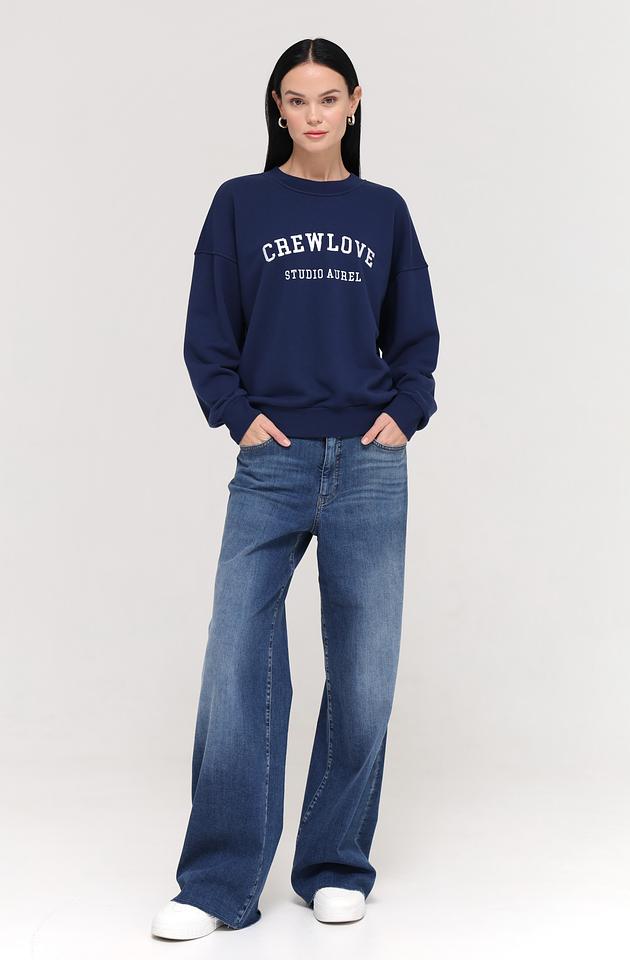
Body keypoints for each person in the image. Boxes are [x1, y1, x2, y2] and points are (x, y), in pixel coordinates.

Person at [151, 36, 440, 939]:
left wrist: (405, 412)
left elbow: (416, 336)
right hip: (271, 464)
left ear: (354, 102)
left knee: (365, 674)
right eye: (295, 99)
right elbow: (208, 328)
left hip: (368, 466)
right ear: (277, 108)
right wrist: (237, 414)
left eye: (327, 98)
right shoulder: (241, 203)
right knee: (235, 661)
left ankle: (335, 863)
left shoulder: (384, 212)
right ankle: (218, 884)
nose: (313, 115)